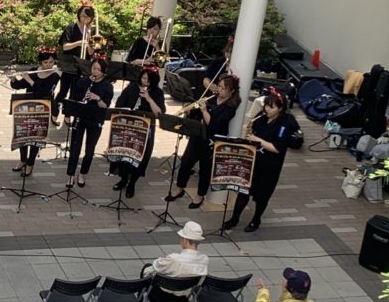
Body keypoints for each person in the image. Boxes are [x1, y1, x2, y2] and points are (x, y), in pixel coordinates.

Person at [223, 88, 294, 233]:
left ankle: (256, 219)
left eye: (271, 107)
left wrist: (257, 140)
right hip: (253, 161)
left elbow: (277, 148)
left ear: (280, 108)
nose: (266, 109)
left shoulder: (284, 124)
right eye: (266, 105)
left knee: (262, 196)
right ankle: (234, 218)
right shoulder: (260, 118)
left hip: (269, 166)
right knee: (243, 191)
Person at [168, 73, 240, 207]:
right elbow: (197, 116)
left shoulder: (230, 108)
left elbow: (214, 125)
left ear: (232, 91)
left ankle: (200, 195)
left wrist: (205, 111)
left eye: (223, 88)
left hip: (211, 141)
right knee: (186, 163)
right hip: (198, 136)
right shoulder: (212, 99)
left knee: (205, 169)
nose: (219, 90)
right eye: (219, 86)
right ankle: (179, 188)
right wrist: (191, 109)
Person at [112, 65, 165, 198]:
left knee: (141, 157)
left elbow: (159, 113)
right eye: (143, 78)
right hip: (128, 126)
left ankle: (132, 183)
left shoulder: (157, 92)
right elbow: (119, 104)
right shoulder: (132, 87)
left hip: (145, 129)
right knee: (124, 154)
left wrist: (148, 98)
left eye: (148, 79)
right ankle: (124, 179)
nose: (145, 81)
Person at [64, 56, 114, 189]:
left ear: (103, 71)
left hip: (95, 120)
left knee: (90, 150)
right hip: (80, 118)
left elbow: (105, 106)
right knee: (75, 148)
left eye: (98, 69)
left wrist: (97, 98)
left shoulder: (107, 86)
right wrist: (82, 97)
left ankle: (82, 174)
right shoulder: (83, 81)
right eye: (93, 68)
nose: (95, 71)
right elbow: (74, 100)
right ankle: (70, 175)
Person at [10, 47, 60, 176]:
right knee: (23, 134)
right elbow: (19, 86)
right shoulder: (33, 70)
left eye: (51, 62)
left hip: (42, 109)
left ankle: (30, 164)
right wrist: (13, 79)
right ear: (40, 62)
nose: (48, 65)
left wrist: (30, 80)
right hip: (26, 107)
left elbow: (43, 92)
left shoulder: (54, 76)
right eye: (45, 62)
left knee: (36, 137)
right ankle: (22, 160)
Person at [143, 221, 208, 302]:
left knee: (147, 268)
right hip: (183, 296)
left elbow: (156, 266)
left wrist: (161, 260)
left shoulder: (173, 258)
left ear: (185, 240)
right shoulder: (204, 260)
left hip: (161, 295)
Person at [55, 4, 96, 118]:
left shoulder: (92, 31)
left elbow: (91, 52)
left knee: (75, 93)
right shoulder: (71, 28)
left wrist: (89, 38)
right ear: (78, 15)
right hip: (69, 63)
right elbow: (65, 47)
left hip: (83, 65)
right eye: (82, 15)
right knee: (63, 91)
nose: (84, 18)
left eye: (87, 16)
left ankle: (68, 115)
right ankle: (54, 112)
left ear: (91, 18)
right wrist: (78, 43)